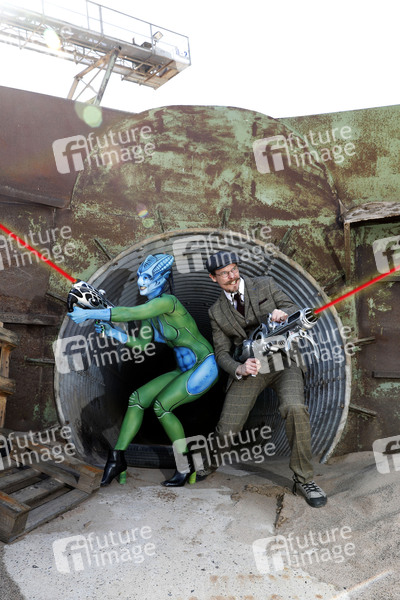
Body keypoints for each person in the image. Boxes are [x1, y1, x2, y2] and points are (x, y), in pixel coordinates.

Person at [68, 253, 218, 487]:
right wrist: (112, 332)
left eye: (147, 277)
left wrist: (88, 313)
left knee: (162, 406)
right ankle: (117, 460)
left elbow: (130, 313)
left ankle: (185, 465)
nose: (140, 282)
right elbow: (141, 344)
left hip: (204, 366)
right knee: (137, 399)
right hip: (182, 370)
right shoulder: (152, 316)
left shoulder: (168, 302)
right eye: (140, 276)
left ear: (162, 279)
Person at [204, 250, 327, 508]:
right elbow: (221, 353)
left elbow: (294, 308)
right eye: (224, 273)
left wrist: (283, 313)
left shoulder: (266, 284)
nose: (232, 276)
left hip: (284, 363)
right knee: (227, 429)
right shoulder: (216, 312)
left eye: (234, 269)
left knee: (295, 408)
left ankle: (304, 480)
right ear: (213, 278)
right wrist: (239, 368)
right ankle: (208, 464)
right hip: (251, 370)